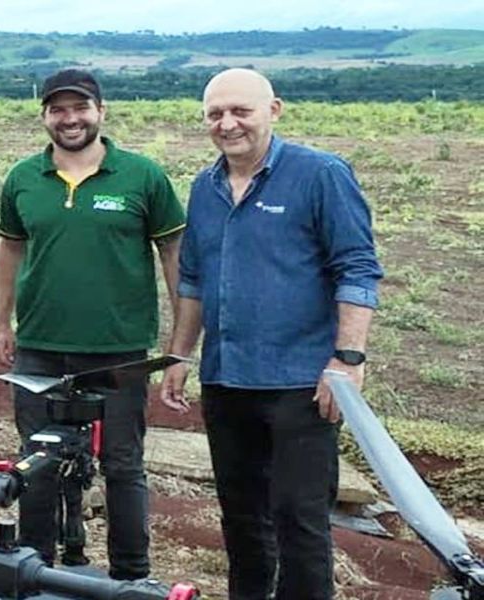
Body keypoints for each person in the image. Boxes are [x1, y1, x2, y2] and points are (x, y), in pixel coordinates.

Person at [160, 68, 383, 600]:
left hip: (300, 382)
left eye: (241, 111)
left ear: (274, 110)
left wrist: (346, 360)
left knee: (299, 519)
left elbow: (357, 268)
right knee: (241, 518)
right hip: (226, 378)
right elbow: (193, 278)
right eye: (215, 114)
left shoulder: (320, 174)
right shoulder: (205, 186)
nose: (227, 124)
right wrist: (180, 355)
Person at [0, 68, 185, 578]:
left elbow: (173, 254)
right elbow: (10, 248)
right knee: (36, 460)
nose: (69, 118)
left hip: (119, 349)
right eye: (58, 109)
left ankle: (130, 573)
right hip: (39, 345)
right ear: (45, 117)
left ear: (101, 111)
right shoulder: (23, 179)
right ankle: (34, 569)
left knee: (122, 464)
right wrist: (1, 323)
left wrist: (180, 341)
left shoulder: (142, 176)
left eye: (80, 108)